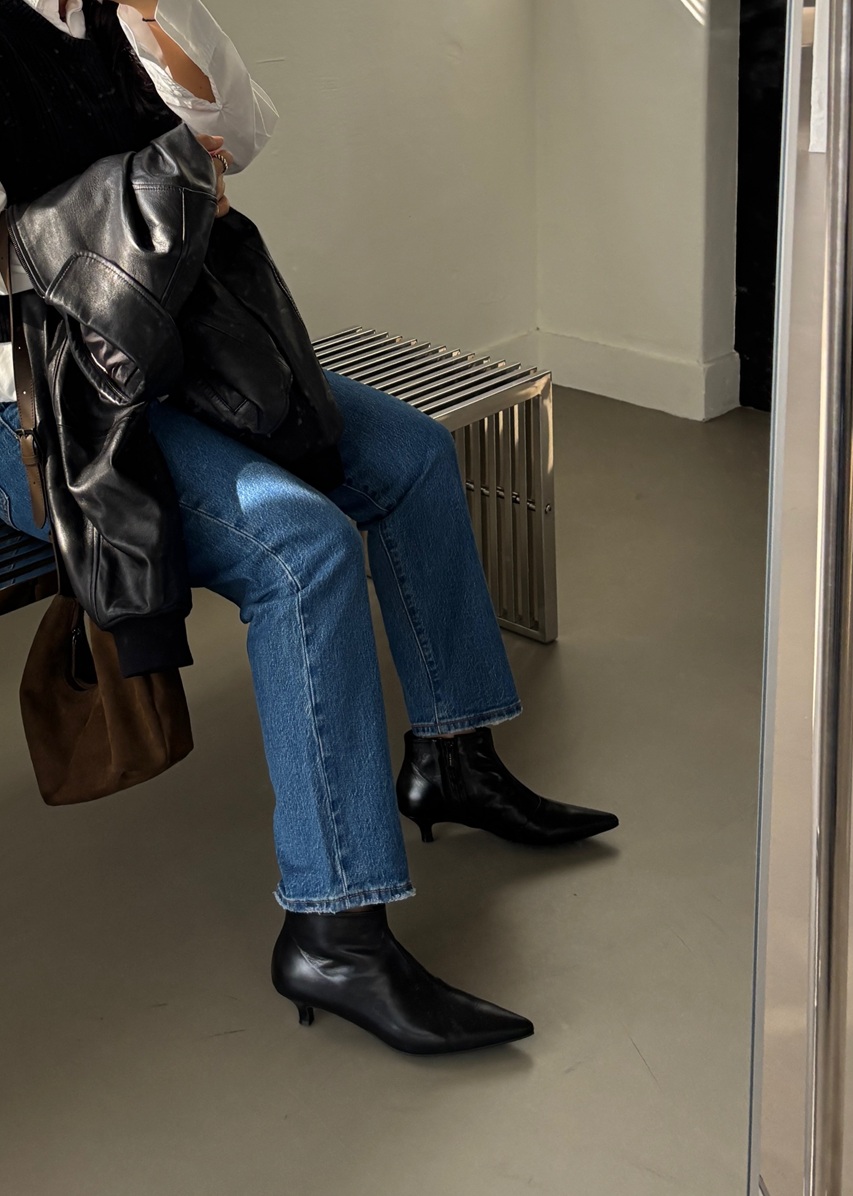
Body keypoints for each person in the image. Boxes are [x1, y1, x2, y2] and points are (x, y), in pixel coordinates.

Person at [0, 0, 619, 1056]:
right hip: (41, 404)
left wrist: (156, 23)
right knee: (303, 546)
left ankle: (454, 760)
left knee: (412, 456)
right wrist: (119, 208)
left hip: (179, 345)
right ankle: (336, 930)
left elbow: (238, 134)